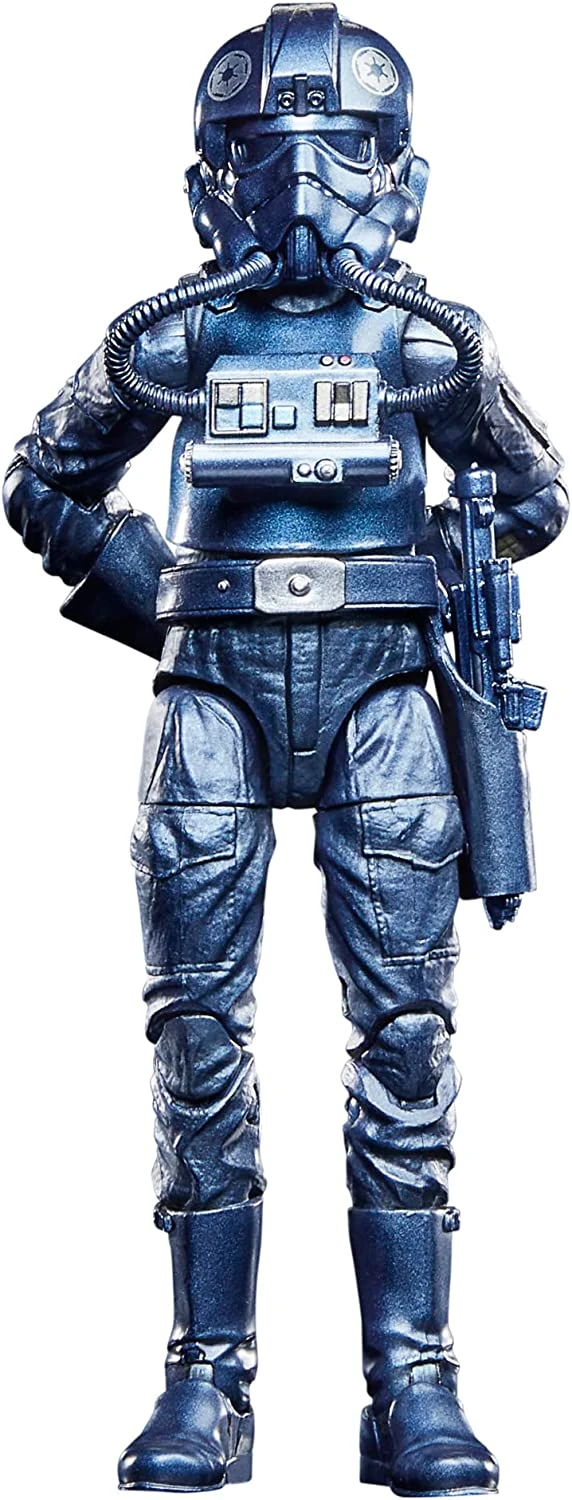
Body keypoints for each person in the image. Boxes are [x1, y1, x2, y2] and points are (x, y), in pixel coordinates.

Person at [4, 6, 567, 1494]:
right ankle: (208, 1377)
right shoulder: (178, 335)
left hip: (387, 691)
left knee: (407, 1036)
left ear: (402, 178)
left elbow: (536, 489)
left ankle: (413, 1378)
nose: (301, 185)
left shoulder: (426, 340)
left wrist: (445, 565)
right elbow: (42, 477)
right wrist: (163, 596)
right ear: (213, 183)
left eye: (340, 151)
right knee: (196, 1033)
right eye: (266, 152)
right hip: (211, 692)